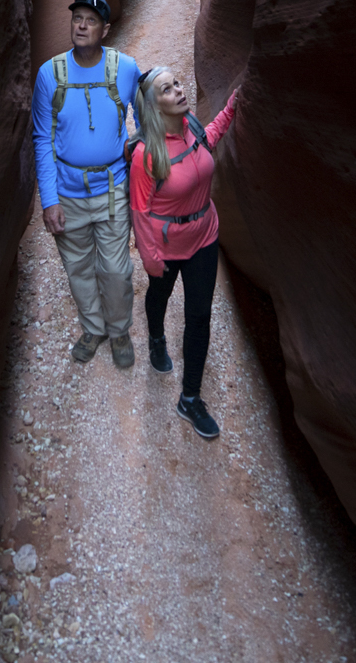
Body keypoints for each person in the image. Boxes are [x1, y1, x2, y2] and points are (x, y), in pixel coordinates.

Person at [32, 0, 144, 367]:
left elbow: (145, 127)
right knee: (78, 267)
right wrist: (49, 200)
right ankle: (93, 328)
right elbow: (42, 139)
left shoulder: (125, 68)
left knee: (115, 269)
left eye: (90, 20)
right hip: (67, 193)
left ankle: (119, 330)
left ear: (106, 29)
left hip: (112, 189)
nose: (81, 25)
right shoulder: (50, 74)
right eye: (76, 18)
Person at [127, 66, 239, 439]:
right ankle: (157, 337)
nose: (178, 89)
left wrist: (232, 108)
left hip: (204, 235)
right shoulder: (146, 154)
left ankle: (190, 398)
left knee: (199, 317)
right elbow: (140, 210)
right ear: (154, 106)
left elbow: (208, 140)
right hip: (167, 246)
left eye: (177, 83)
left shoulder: (190, 124)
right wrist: (150, 256)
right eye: (167, 88)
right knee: (159, 294)